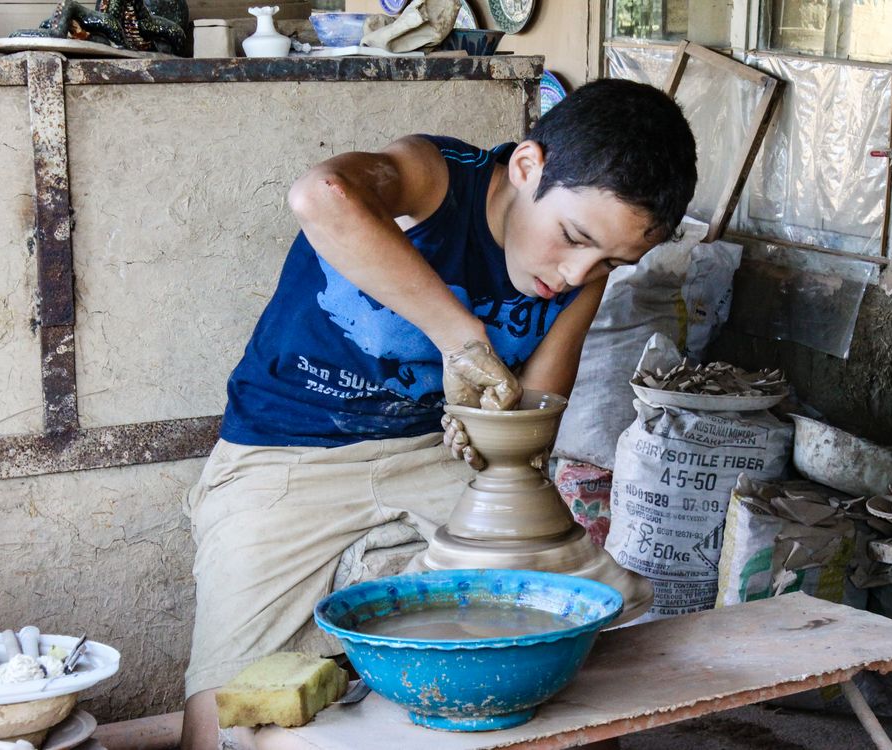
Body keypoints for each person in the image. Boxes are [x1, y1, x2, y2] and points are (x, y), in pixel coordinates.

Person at [180, 77, 697, 749]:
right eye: (573, 237)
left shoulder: (581, 280)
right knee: (227, 715)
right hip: (285, 454)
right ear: (527, 167)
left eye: (610, 262)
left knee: (554, 661)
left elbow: (533, 421)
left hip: (432, 457)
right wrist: (462, 341)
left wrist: (492, 437)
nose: (576, 273)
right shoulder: (433, 179)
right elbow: (319, 196)